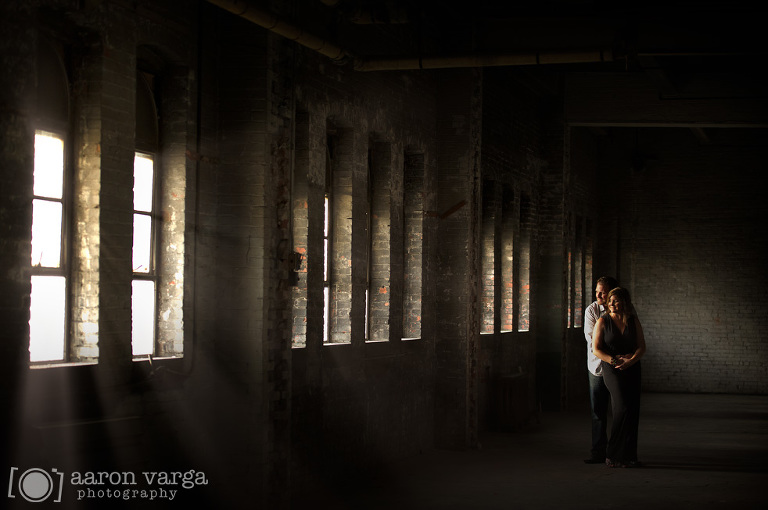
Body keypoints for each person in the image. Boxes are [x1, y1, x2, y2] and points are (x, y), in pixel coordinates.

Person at [592, 287, 646, 468]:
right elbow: (596, 349)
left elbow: (641, 347)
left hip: (632, 368)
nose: (612, 304)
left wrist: (630, 361)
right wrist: (615, 360)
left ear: (624, 302)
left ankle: (629, 456)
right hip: (612, 368)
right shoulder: (603, 321)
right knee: (621, 407)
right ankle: (612, 454)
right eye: (610, 301)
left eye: (616, 301)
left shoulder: (633, 321)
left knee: (632, 410)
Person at [582, 276, 618, 464]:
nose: (598, 294)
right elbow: (592, 340)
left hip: (618, 368)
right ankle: (598, 451)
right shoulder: (592, 310)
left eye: (602, 291)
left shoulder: (622, 308)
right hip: (596, 366)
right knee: (598, 411)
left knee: (619, 410)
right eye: (597, 290)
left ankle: (616, 451)